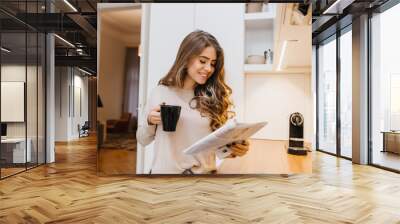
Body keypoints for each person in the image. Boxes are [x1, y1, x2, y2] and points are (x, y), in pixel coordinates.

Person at [136, 30, 249, 174]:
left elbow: (216, 150)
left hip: (203, 182)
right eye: (203, 61)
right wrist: (150, 121)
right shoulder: (160, 92)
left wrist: (235, 149)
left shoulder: (212, 98)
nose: (208, 69)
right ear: (187, 58)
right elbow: (142, 139)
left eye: (213, 64)